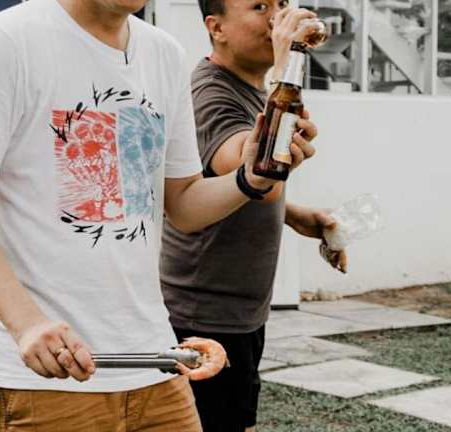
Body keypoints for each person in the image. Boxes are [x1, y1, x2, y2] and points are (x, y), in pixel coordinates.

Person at [0, 0, 317, 430]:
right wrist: (26, 325)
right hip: (49, 372)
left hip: (154, 360)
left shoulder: (164, 54)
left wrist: (249, 178)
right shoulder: (7, 42)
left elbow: (184, 203)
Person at [160, 1, 348, 431]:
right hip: (202, 315)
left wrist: (294, 215)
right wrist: (288, 62)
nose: (277, 17)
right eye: (259, 6)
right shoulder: (209, 93)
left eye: (281, 4)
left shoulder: (253, 89)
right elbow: (261, 172)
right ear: (217, 28)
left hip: (240, 313)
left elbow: (239, 188)